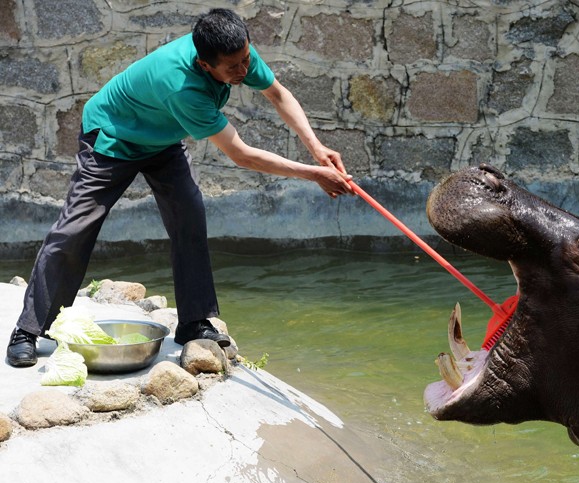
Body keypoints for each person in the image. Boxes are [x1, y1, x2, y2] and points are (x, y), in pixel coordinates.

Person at [6, 8, 353, 368]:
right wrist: (313, 175)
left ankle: (192, 322)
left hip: (162, 139)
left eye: (246, 60)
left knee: (189, 213)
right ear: (205, 65)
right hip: (112, 136)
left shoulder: (235, 49)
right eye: (232, 67)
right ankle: (28, 330)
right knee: (76, 227)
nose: (243, 71)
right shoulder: (183, 86)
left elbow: (278, 94)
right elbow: (242, 154)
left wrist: (317, 148)